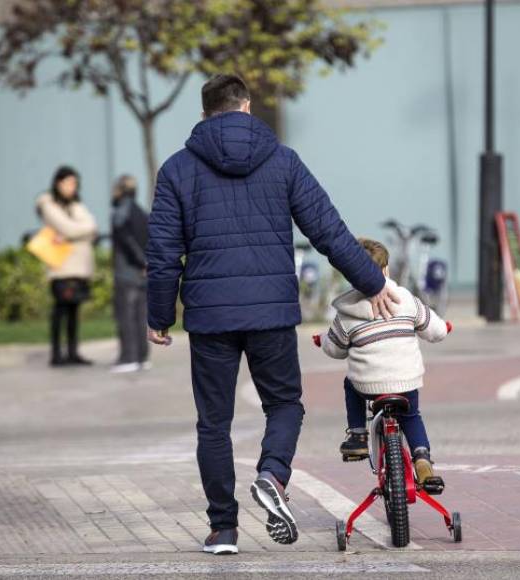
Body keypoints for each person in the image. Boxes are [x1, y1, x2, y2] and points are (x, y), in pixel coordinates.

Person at [145, 74, 399, 556]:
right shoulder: (282, 160)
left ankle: (223, 530)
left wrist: (159, 314)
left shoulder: (177, 169)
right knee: (284, 405)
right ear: (246, 108)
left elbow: (162, 252)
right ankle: (272, 475)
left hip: (210, 318)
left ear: (204, 115)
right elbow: (328, 228)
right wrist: (374, 282)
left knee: (213, 423)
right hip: (271, 313)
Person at [319, 238, 449, 494]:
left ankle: (357, 435)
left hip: (368, 386)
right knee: (411, 415)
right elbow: (436, 331)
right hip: (405, 382)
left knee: (350, 383)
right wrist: (445, 328)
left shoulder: (346, 312)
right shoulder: (406, 299)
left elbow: (334, 349)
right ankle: (422, 459)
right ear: (386, 270)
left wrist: (322, 340)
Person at [36, 166, 97, 367]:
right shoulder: (48, 203)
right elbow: (68, 228)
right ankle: (56, 354)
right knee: (60, 311)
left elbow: (92, 226)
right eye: (68, 182)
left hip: (79, 268)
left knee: (74, 311)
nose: (72, 187)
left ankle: (72, 352)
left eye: (75, 183)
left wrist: (75, 233)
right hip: (61, 267)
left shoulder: (76, 205)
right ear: (58, 183)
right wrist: (81, 231)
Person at [110, 175, 150, 373]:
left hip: (127, 273)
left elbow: (125, 239)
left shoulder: (120, 212)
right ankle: (142, 357)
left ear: (120, 189)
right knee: (140, 317)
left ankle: (128, 358)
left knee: (125, 316)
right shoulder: (141, 212)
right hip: (143, 274)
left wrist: (139, 260)